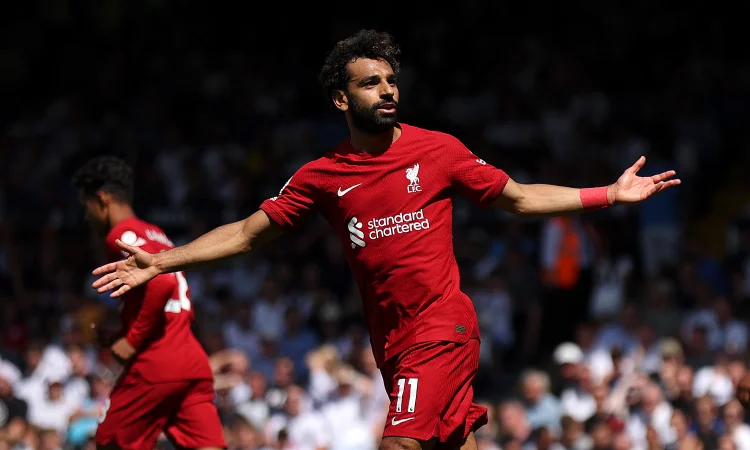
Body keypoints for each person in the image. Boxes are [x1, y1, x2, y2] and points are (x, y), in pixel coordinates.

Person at [90, 30, 680, 450]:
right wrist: (159, 263)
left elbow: (520, 197)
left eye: (392, 80)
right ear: (343, 100)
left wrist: (608, 193)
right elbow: (248, 234)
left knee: (399, 442)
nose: (388, 90)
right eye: (372, 83)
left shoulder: (439, 150)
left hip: (442, 324)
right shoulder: (321, 175)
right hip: (391, 340)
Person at [71, 156, 226, 450]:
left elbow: (162, 282)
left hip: (157, 361)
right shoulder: (156, 232)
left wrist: (132, 338)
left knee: (108, 443)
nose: (85, 217)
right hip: (190, 359)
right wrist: (121, 329)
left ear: (102, 200)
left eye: (85, 207)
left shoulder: (122, 235)